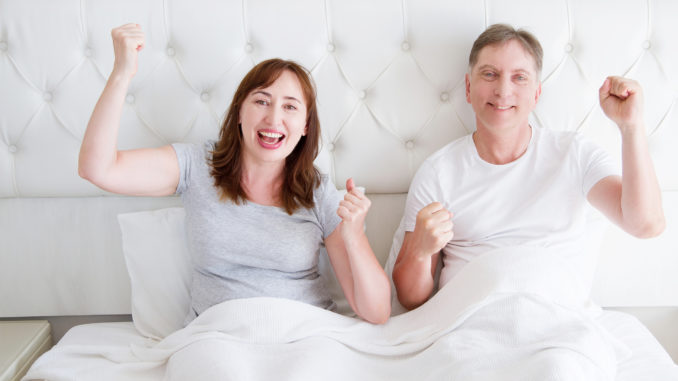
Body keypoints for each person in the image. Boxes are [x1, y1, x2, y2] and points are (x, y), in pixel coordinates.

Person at [79, 24, 391, 324]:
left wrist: (354, 235)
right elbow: (98, 168)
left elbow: (376, 312)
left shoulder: (317, 190)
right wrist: (122, 74)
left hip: (302, 333)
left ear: (306, 126)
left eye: (290, 107)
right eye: (261, 101)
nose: (273, 118)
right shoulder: (196, 165)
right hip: (219, 336)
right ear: (240, 111)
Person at [392, 24, 665, 310]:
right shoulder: (439, 173)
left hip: (557, 319)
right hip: (471, 324)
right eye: (489, 74)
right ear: (469, 88)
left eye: (519, 77)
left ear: (536, 94)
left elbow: (646, 225)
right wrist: (420, 252)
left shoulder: (575, 154)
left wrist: (630, 126)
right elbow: (410, 299)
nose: (502, 90)